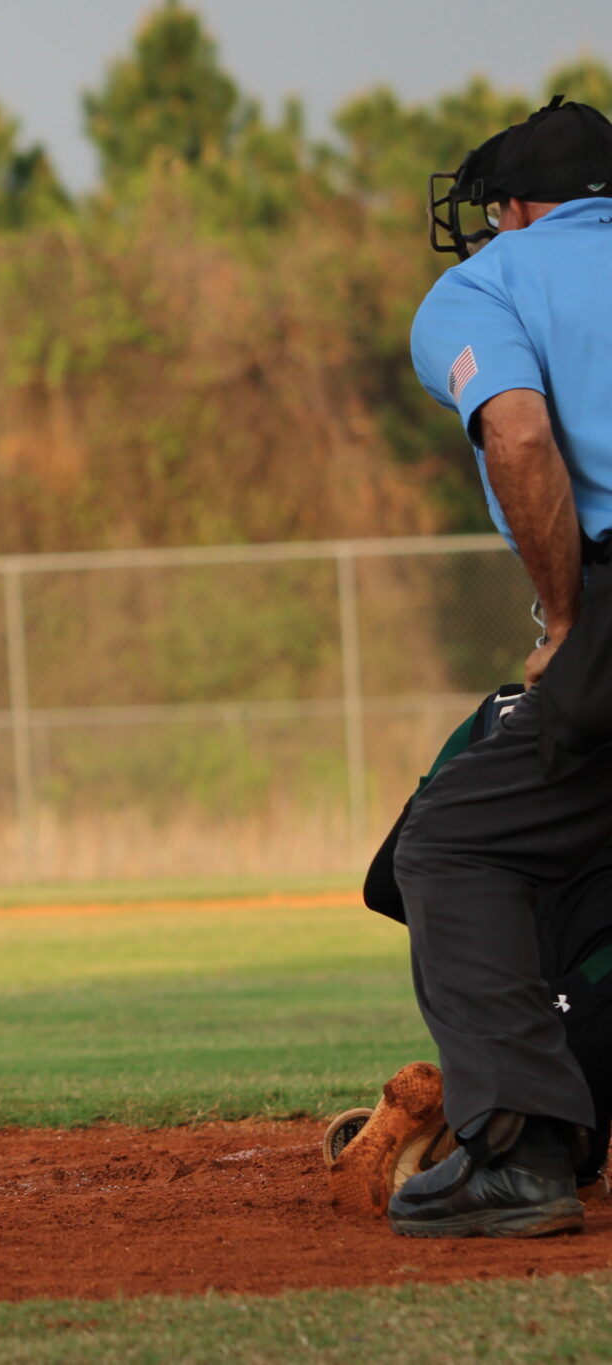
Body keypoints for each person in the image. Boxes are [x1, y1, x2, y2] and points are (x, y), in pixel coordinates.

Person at [385, 95, 612, 1238]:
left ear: (518, 207)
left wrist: (567, 617)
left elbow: (518, 434)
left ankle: (522, 1148)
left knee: (458, 838)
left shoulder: (486, 282)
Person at [327, 686, 612, 1218]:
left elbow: (386, 884)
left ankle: (486, 1136)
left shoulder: (499, 713)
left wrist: (501, 955)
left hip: (559, 1030)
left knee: (539, 1095)